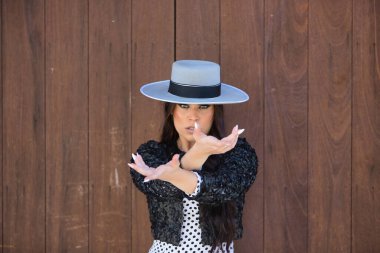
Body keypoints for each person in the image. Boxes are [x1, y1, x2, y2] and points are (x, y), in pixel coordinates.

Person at [128, 60, 258, 253]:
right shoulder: (151, 154)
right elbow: (163, 188)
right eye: (184, 105)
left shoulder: (238, 153)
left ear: (215, 111)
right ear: (171, 111)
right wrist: (198, 153)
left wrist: (180, 167)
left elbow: (223, 188)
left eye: (203, 107)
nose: (193, 116)